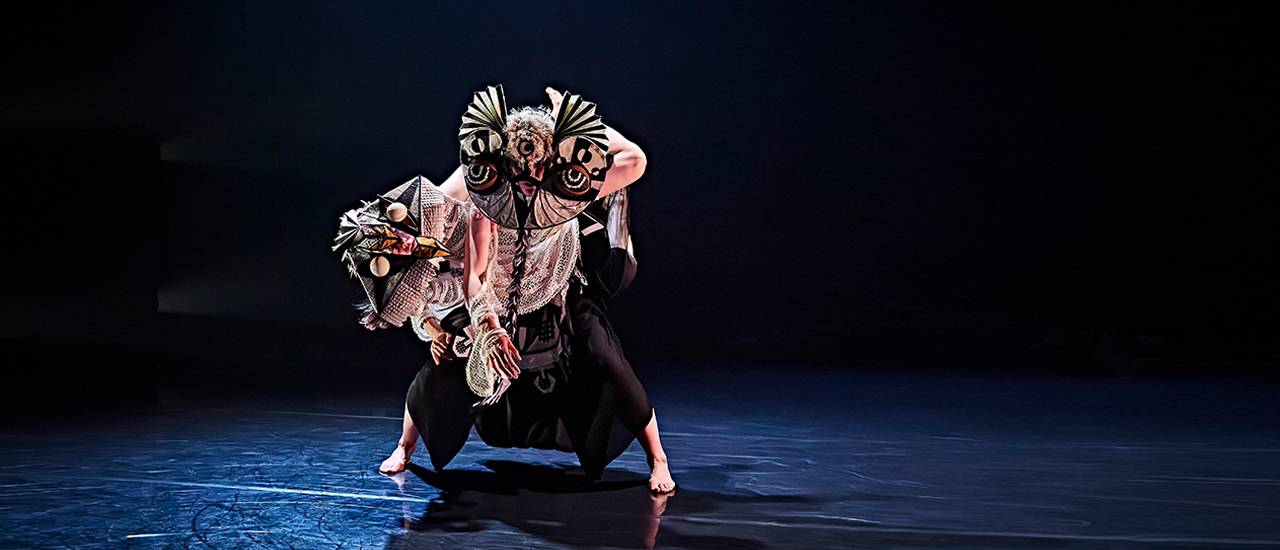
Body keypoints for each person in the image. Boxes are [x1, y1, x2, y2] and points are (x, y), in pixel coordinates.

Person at [354, 85, 673, 493]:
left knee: (603, 356)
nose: (530, 181)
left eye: (540, 168)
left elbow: (634, 159)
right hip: (497, 293)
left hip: (555, 285)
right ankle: (404, 445)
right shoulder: (483, 191)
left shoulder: (567, 188)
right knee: (445, 358)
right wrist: (482, 327)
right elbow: (474, 274)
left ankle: (658, 458)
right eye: (521, 171)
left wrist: (578, 125)